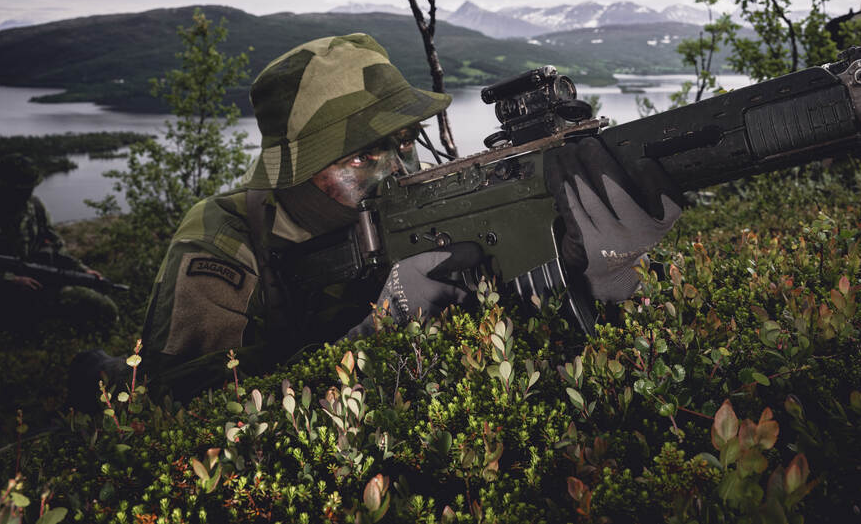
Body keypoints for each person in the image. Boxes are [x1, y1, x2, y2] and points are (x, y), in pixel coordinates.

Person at [71, 33, 678, 404]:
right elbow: (185, 415)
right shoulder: (224, 242)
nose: (398, 165)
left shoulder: (412, 210)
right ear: (297, 169)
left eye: (407, 139)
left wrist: (594, 270)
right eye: (364, 154)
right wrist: (372, 337)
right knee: (108, 392)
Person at [0, 153, 118, 333]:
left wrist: (82, 270)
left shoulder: (35, 208)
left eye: (29, 188)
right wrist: (9, 280)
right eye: (20, 189)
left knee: (104, 308)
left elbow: (56, 248)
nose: (26, 194)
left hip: (39, 288)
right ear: (1, 186)